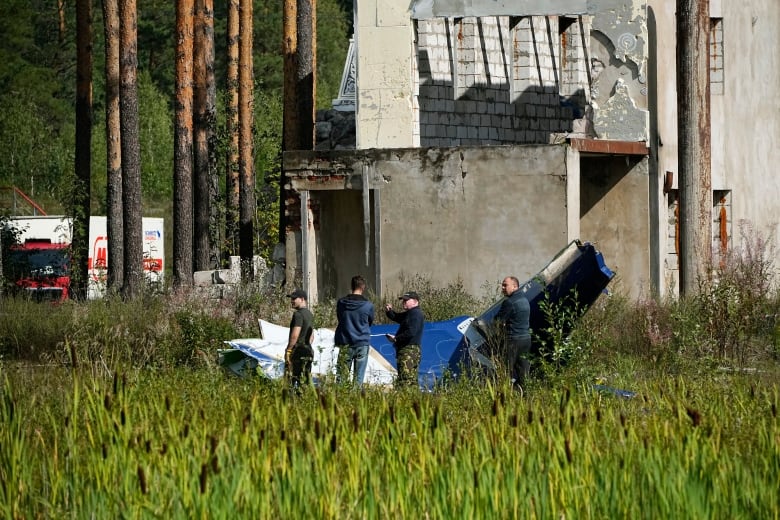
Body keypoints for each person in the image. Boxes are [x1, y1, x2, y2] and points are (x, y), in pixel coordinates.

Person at [335, 275, 375, 386]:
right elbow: (369, 322)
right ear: (363, 287)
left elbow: (340, 319)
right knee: (358, 379)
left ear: (351, 286)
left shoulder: (341, 303)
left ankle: (340, 400)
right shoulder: (368, 305)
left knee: (341, 378)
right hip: (362, 342)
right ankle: (356, 400)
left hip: (345, 342)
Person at [495, 276, 531, 389]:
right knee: (524, 371)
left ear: (515, 286)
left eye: (505, 285)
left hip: (513, 340)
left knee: (506, 370)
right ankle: (525, 396)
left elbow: (497, 321)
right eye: (502, 285)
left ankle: (505, 394)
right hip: (526, 340)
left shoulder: (509, 302)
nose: (503, 287)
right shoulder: (525, 300)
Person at [384, 291, 424, 388]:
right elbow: (397, 317)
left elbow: (411, 332)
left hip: (409, 351)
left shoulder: (415, 314)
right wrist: (389, 311)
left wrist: (396, 339)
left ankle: (405, 400)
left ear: (415, 301)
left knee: (405, 380)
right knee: (411, 380)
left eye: (406, 300)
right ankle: (413, 400)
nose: (403, 302)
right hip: (409, 350)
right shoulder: (410, 313)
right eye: (403, 300)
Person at [285, 289, 315, 389]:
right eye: (291, 299)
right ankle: (304, 401)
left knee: (291, 380)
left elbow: (295, 335)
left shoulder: (298, 315)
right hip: (308, 351)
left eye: (294, 298)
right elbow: (311, 337)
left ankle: (290, 403)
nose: (292, 301)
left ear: (302, 299)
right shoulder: (310, 314)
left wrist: (289, 350)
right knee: (305, 381)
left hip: (298, 352)